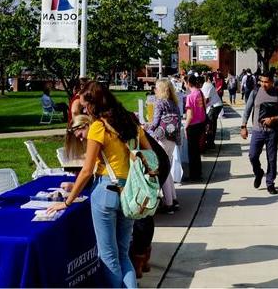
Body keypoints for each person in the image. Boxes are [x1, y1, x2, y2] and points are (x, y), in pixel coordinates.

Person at [47, 83, 153, 288]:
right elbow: (149, 153)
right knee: (123, 254)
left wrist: (67, 202)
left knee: (108, 257)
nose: (85, 111)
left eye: (86, 106)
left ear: (94, 104)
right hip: (130, 193)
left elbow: (86, 171)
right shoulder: (131, 122)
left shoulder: (98, 127)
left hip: (106, 191)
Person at [241, 71, 278, 195]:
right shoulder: (255, 92)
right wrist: (243, 126)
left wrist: (273, 119)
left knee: (272, 159)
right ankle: (258, 173)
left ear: (272, 82)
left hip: (272, 132)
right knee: (252, 155)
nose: (263, 84)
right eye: (261, 81)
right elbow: (247, 110)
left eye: (266, 82)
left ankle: (270, 183)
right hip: (257, 131)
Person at [144, 78, 181, 214]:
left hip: (162, 139)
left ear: (160, 90)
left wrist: (145, 126)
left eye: (156, 88)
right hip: (172, 139)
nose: (154, 90)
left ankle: (169, 204)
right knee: (168, 169)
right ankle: (173, 199)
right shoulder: (174, 104)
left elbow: (154, 124)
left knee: (163, 171)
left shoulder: (159, 103)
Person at [183, 74, 207, 182]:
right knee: (197, 152)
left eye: (184, 83)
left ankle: (194, 176)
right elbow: (204, 107)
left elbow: (190, 115)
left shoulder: (190, 96)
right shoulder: (200, 92)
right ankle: (198, 173)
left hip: (193, 126)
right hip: (201, 124)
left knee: (192, 153)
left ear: (188, 83)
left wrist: (185, 126)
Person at [201, 73, 224, 150]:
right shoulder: (207, 85)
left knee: (210, 124)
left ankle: (210, 143)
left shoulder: (206, 85)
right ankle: (211, 142)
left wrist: (202, 108)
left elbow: (206, 99)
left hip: (215, 106)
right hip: (215, 105)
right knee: (212, 124)